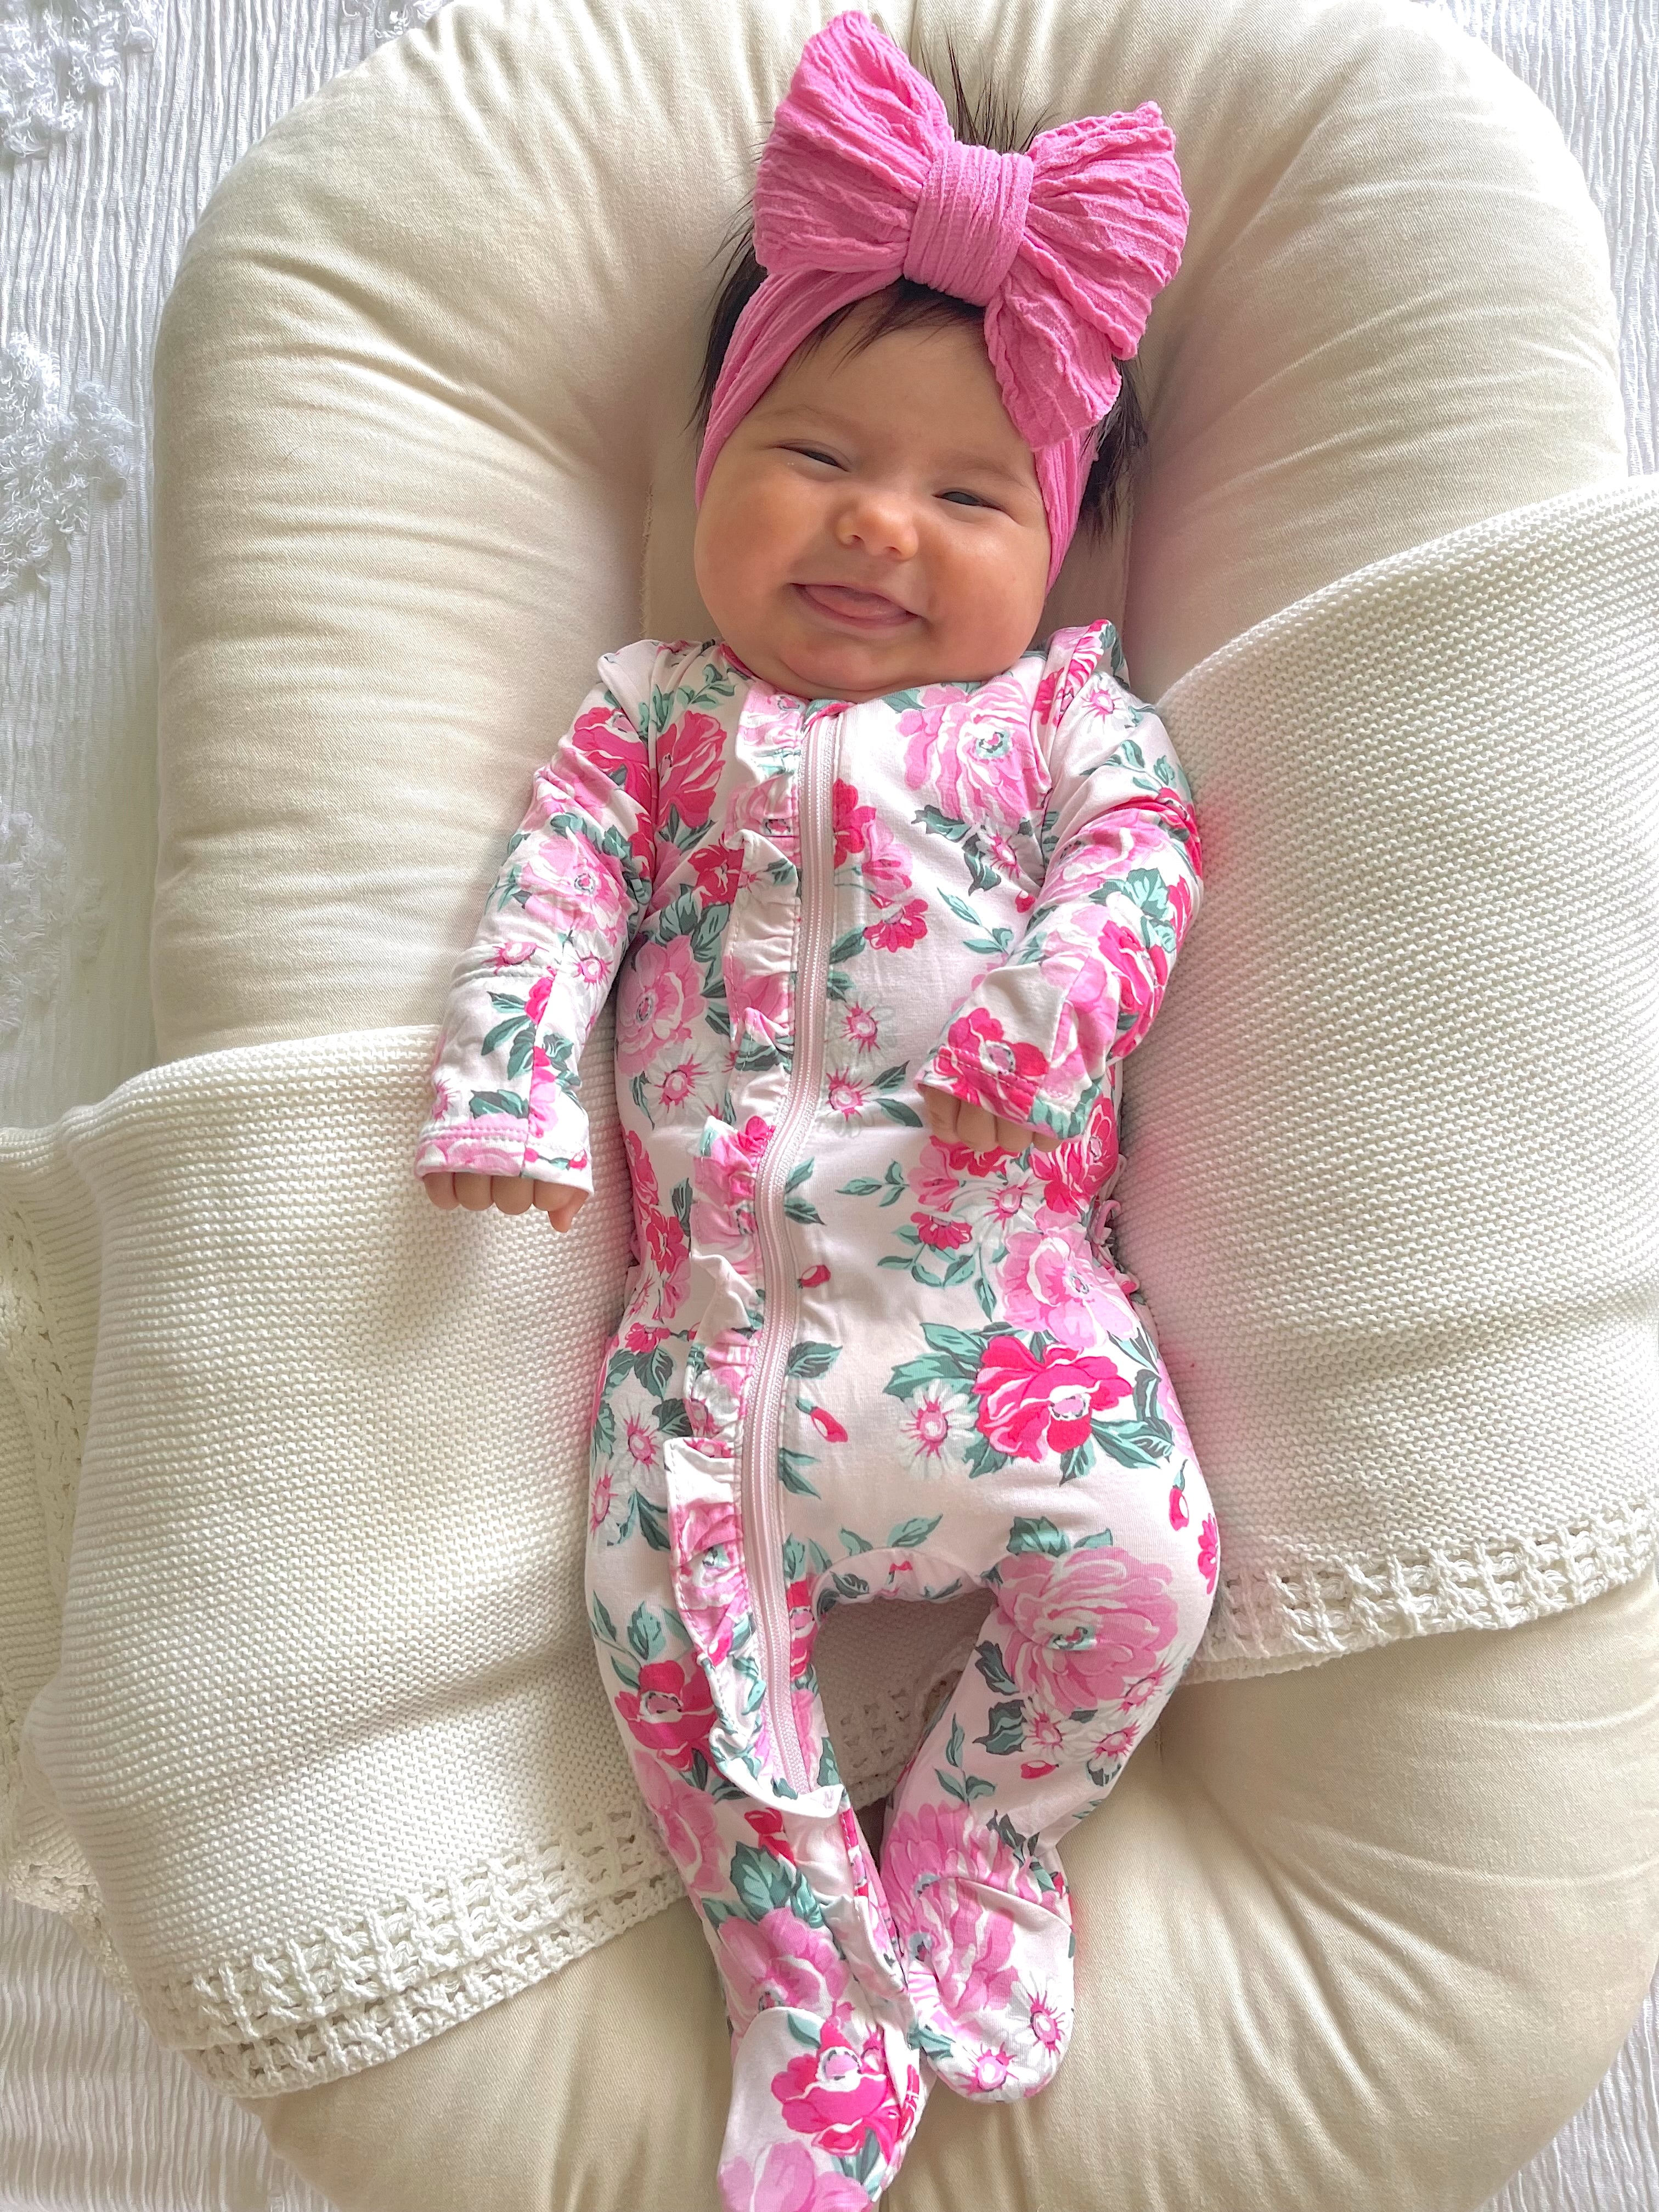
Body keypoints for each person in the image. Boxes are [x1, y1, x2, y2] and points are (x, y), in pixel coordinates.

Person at [416, 12, 1218, 2204]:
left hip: (1012, 1334)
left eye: (968, 496)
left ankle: (975, 1837)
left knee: (1148, 1569)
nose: (879, 525)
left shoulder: (1061, 719)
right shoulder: (655, 718)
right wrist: (506, 1076)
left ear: (1056, 550)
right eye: (812, 454)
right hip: (721, 1370)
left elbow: (1149, 870)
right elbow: (560, 886)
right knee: (657, 1633)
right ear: (706, 459)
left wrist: (1055, 1000)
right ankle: (805, 1986)